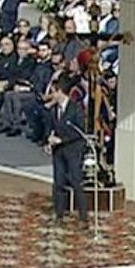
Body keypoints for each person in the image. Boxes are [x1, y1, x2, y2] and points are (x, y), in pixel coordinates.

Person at [45, 84, 89, 224]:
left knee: (76, 182)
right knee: (58, 182)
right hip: (58, 151)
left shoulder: (75, 108)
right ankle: (59, 215)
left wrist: (62, 139)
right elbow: (51, 128)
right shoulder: (54, 110)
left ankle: (83, 217)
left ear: (60, 92)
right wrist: (48, 142)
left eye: (53, 92)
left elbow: (79, 131)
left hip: (72, 150)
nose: (52, 96)